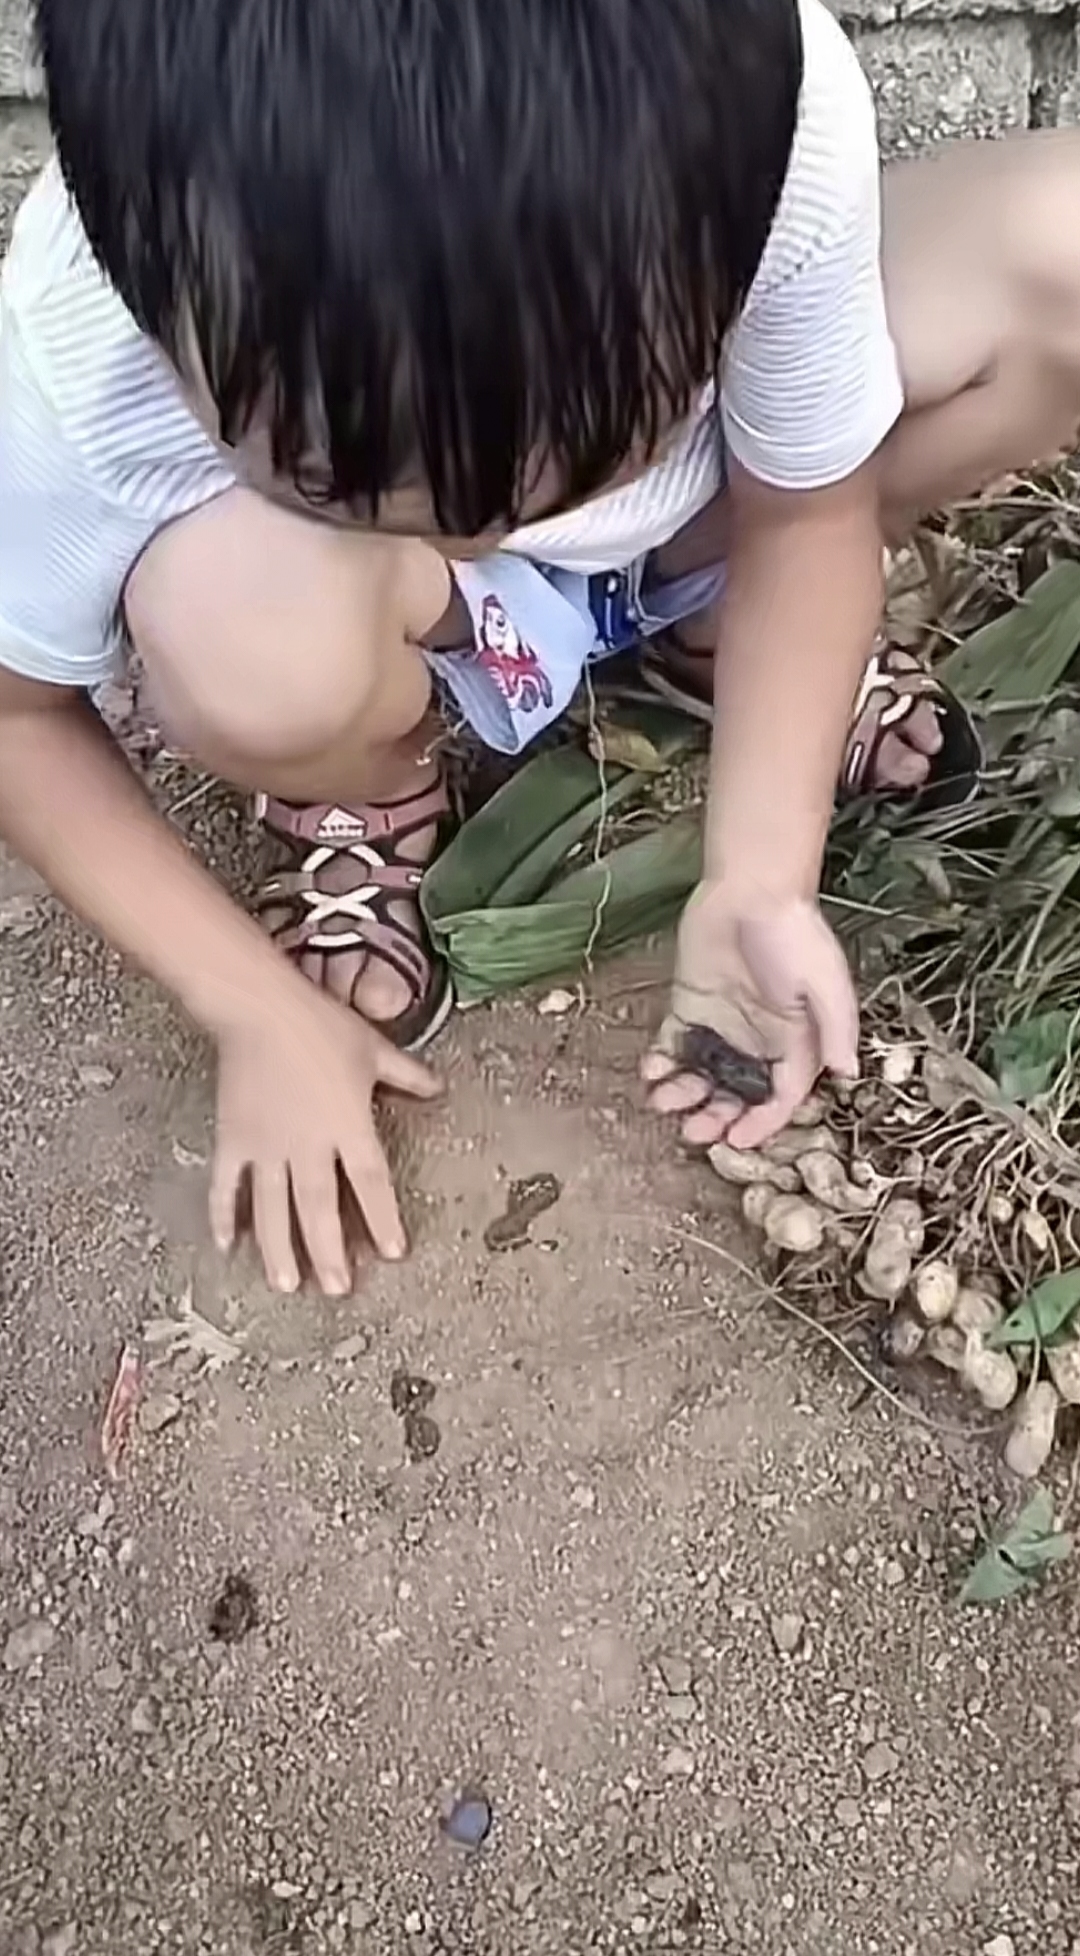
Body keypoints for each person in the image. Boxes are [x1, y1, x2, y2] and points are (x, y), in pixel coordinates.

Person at [0, 0, 1068, 1296]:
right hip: (401, 610)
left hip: (711, 517)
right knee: (241, 634)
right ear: (157, 317)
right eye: (353, 475)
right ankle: (366, 769)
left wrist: (757, 879)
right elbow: (19, 714)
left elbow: (805, 503)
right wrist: (253, 1009)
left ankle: (712, 632)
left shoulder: (767, 109)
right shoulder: (74, 353)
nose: (511, 523)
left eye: (604, 435)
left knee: (1055, 247)